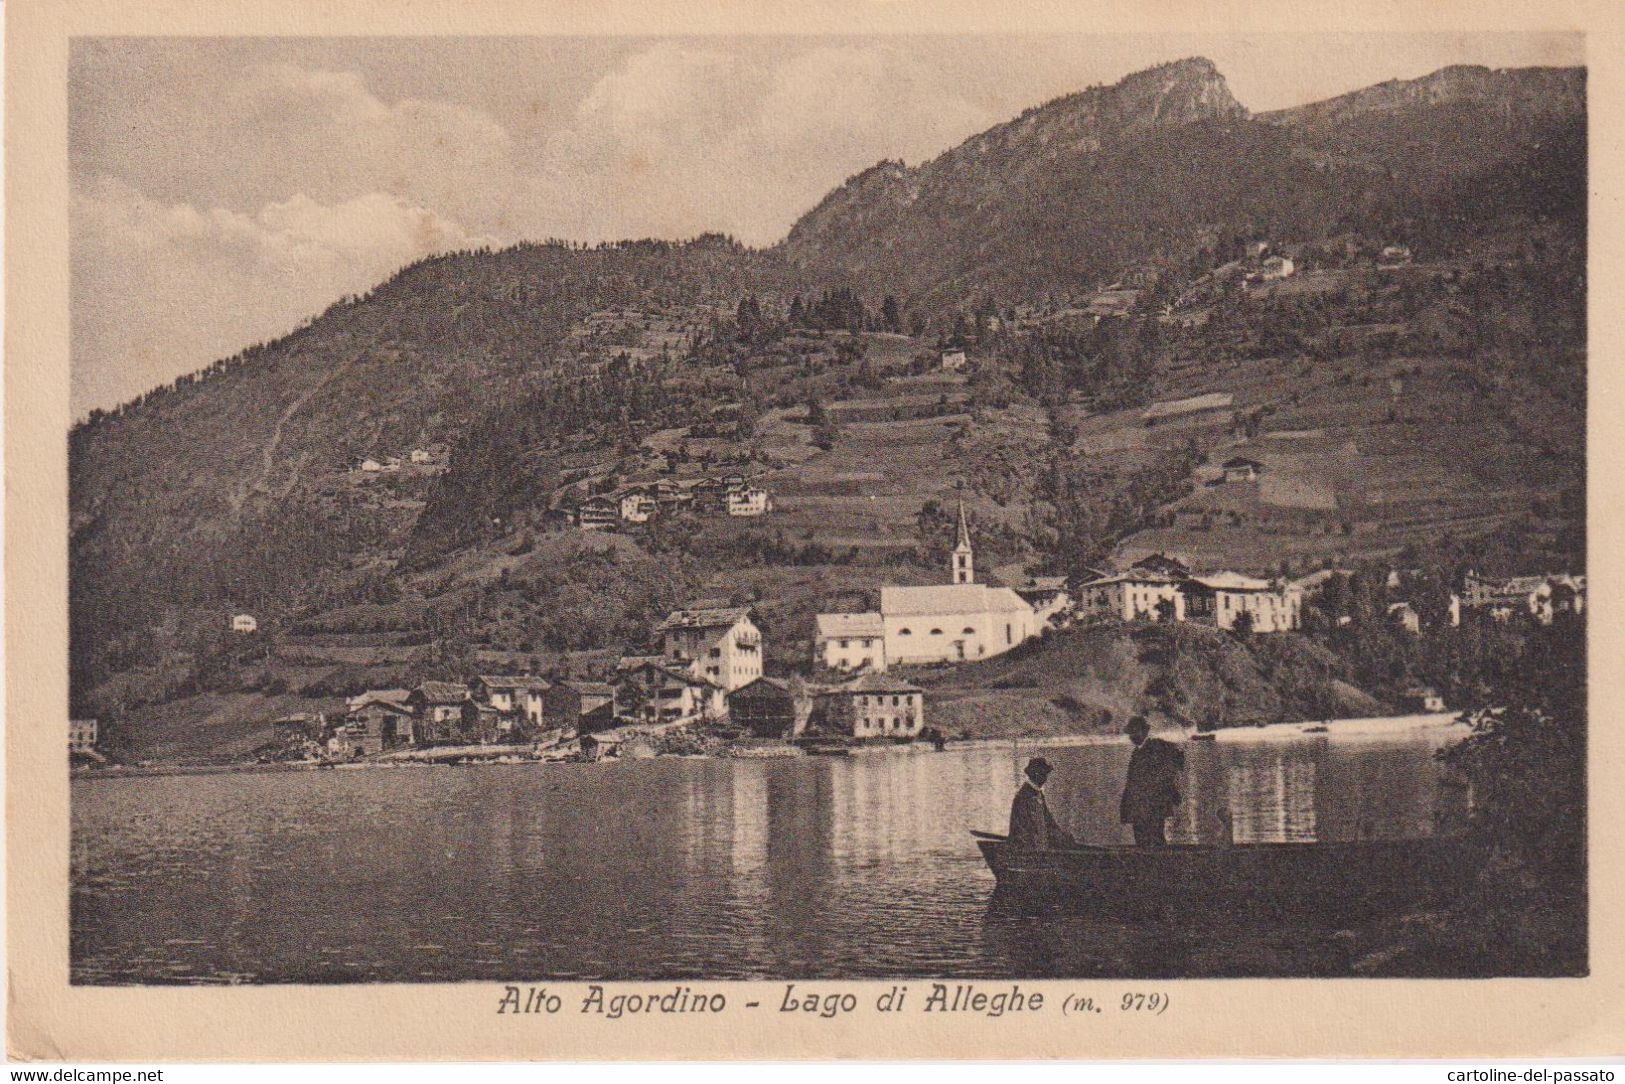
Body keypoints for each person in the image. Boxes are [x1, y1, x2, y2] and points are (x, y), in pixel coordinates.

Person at [1119, 716, 1186, 846]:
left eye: (1135, 732)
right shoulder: (1137, 752)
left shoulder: (1157, 747)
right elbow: (1132, 782)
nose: (1132, 736)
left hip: (1153, 805)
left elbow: (1173, 765)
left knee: (1155, 838)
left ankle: (1158, 863)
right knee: (1142, 839)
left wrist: (1170, 792)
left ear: (1145, 731)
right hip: (1139, 807)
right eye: (1131, 733)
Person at [1008, 756, 1075, 850]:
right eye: (1043, 774)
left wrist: (1062, 837)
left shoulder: (1038, 794)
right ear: (1036, 774)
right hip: (1028, 849)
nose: (1045, 778)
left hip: (1039, 847)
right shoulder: (1023, 797)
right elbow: (1021, 830)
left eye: (1046, 774)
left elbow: (1049, 822)